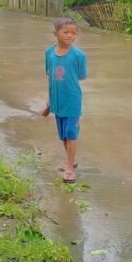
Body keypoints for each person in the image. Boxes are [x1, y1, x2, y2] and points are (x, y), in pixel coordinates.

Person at [41, 17, 88, 184]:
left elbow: (81, 76)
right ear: (56, 33)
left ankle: (69, 168)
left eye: (73, 33)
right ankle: (71, 159)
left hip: (72, 101)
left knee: (71, 133)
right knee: (63, 135)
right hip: (57, 101)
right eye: (66, 32)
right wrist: (49, 99)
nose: (70, 35)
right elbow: (50, 76)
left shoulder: (78, 56)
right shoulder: (49, 53)